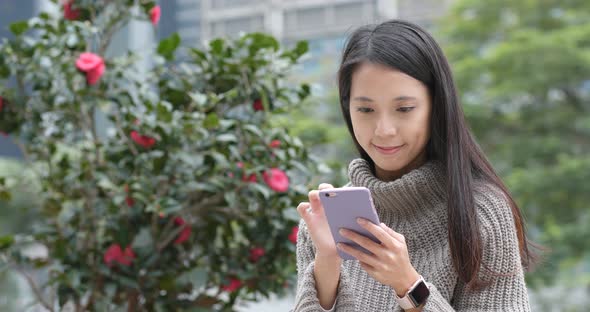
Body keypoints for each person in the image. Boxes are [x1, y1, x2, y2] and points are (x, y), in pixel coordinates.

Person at [293, 19, 537, 311]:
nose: (384, 129)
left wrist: (409, 286)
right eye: (366, 109)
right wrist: (328, 263)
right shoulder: (323, 223)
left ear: (436, 106)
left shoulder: (481, 211)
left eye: (404, 109)